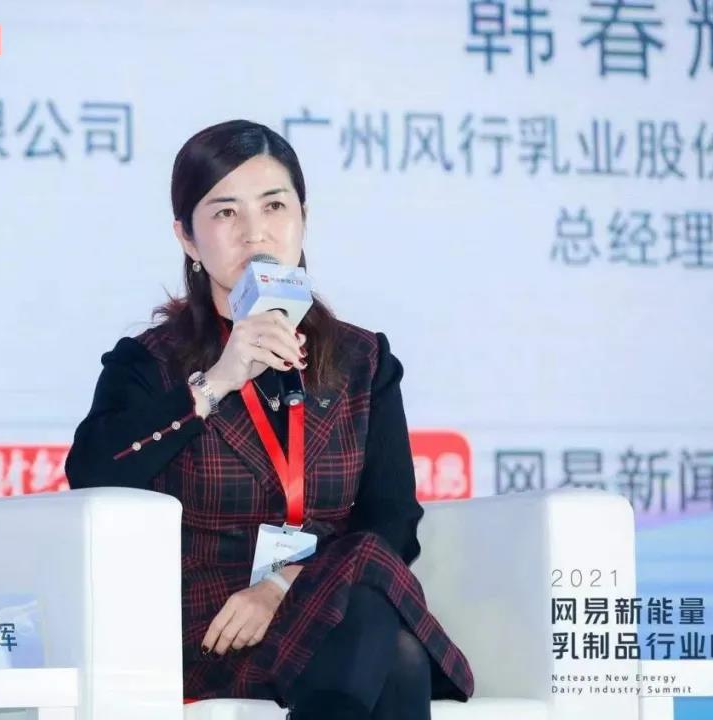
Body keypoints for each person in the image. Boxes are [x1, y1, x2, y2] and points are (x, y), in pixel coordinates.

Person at [65, 119, 474, 720]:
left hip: (327, 606)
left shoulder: (363, 361)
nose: (255, 231)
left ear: (303, 217)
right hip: (214, 630)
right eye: (226, 212)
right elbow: (92, 475)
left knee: (369, 600)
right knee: (395, 651)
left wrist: (282, 586)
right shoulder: (150, 364)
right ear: (187, 238)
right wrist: (216, 382)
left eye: (274, 206)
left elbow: (393, 519)